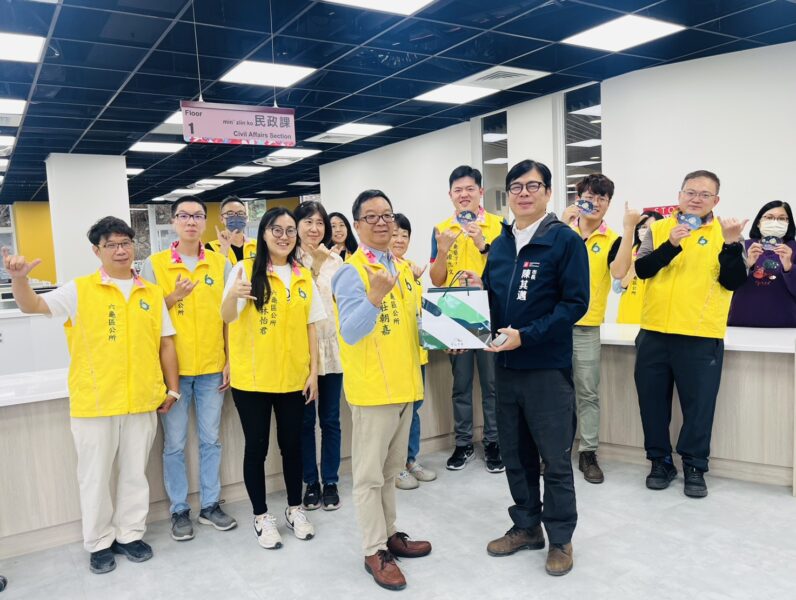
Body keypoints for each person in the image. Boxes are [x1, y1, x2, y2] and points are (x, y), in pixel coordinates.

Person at [3, 217, 179, 575]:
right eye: (111, 244)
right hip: (95, 402)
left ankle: (130, 534)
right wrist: (19, 279)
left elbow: (165, 343)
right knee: (94, 477)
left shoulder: (150, 293)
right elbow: (32, 306)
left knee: (135, 474)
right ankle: (98, 542)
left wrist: (172, 388)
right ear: (97, 251)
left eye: (125, 243)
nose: (120, 250)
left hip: (141, 399)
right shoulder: (79, 289)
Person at [461, 160, 589, 577]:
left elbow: (575, 304)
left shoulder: (564, 241)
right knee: (516, 456)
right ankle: (527, 527)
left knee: (554, 459)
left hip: (547, 369)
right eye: (516, 187)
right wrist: (470, 313)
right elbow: (494, 302)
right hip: (506, 366)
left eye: (533, 186)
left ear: (548, 193)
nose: (523, 193)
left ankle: (561, 538)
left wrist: (527, 336)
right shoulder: (500, 244)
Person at [332, 190, 431, 591]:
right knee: (369, 478)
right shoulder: (350, 272)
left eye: (386, 215)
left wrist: (451, 335)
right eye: (370, 217)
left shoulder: (401, 268)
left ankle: (389, 533)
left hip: (405, 386)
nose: (381, 223)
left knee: (391, 472)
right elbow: (350, 333)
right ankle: (374, 550)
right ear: (357, 225)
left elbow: (413, 323)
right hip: (373, 391)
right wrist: (374, 296)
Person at [634, 170, 748, 498]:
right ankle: (659, 462)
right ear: (680, 195)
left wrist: (731, 245)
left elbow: (734, 281)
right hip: (654, 331)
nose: (696, 199)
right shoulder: (658, 229)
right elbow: (642, 270)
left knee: (699, 407)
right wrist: (671, 245)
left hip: (700, 334)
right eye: (690, 192)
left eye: (704, 194)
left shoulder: (728, 232)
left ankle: (695, 466)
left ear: (716, 200)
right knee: (652, 404)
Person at [222, 207, 325, 549]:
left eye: (290, 230)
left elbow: (311, 327)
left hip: (293, 377)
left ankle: (295, 509)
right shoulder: (244, 269)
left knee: (293, 446)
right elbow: (226, 316)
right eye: (276, 230)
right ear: (264, 233)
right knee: (257, 448)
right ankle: (261, 515)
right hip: (252, 380)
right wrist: (232, 296)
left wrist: (313, 372)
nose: (284, 236)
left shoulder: (302, 275)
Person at [140, 196, 237, 542]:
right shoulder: (156, 264)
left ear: (205, 221)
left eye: (197, 215)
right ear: (173, 222)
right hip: (174, 373)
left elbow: (230, 316)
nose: (191, 221)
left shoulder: (220, 263)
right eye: (184, 215)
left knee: (211, 440)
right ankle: (179, 510)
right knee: (175, 444)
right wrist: (171, 299)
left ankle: (210, 505)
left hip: (212, 367)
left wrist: (230, 359)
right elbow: (147, 315)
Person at [560, 174, 639, 484]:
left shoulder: (613, 240)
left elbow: (619, 272)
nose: (594, 202)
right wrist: (563, 226)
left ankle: (588, 452)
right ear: (578, 198)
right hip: (554, 325)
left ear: (608, 204)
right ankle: (555, 450)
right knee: (555, 392)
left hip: (587, 327)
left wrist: (629, 229)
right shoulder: (560, 231)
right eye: (589, 196)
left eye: (601, 198)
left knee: (587, 392)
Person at [430, 165, 504, 473]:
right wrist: (442, 251)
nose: (464, 194)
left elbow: (507, 272)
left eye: (470, 189)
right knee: (460, 384)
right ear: (450, 195)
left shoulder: (499, 225)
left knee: (492, 383)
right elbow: (436, 279)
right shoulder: (441, 229)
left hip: (490, 309)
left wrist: (482, 246)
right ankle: (463, 443)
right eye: (458, 190)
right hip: (455, 312)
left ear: (480, 192)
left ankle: (494, 442)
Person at [293, 201, 344, 511]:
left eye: (320, 223)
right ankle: (310, 482)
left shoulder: (336, 261)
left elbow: (341, 302)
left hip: (333, 347)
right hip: (303, 350)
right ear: (297, 225)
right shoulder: (289, 260)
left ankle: (331, 481)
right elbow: (303, 300)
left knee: (331, 420)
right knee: (304, 422)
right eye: (308, 222)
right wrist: (314, 266)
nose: (314, 228)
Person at [390, 213, 437, 490]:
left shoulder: (412, 270)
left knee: (414, 411)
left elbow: (421, 314)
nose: (399, 239)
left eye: (404, 235)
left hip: (417, 353)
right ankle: (394, 467)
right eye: (395, 234)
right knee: (396, 414)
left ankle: (410, 460)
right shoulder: (382, 270)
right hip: (396, 356)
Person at [728, 201, 796, 327]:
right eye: (769, 217)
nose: (775, 222)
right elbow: (727, 284)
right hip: (741, 322)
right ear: (759, 222)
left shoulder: (793, 248)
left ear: (789, 223)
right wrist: (747, 264)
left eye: (782, 219)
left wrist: (789, 267)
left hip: (786, 325)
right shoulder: (742, 246)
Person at [616, 211, 665, 324]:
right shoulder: (629, 251)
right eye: (644, 227)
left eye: (652, 227)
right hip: (628, 313)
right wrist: (632, 273)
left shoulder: (665, 253)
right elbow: (617, 287)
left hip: (654, 315)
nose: (647, 231)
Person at [206, 196, 257, 264]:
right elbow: (213, 270)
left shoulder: (258, 245)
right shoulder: (210, 247)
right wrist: (224, 250)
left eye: (241, 213)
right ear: (221, 219)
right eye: (230, 214)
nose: (236, 216)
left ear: (246, 218)